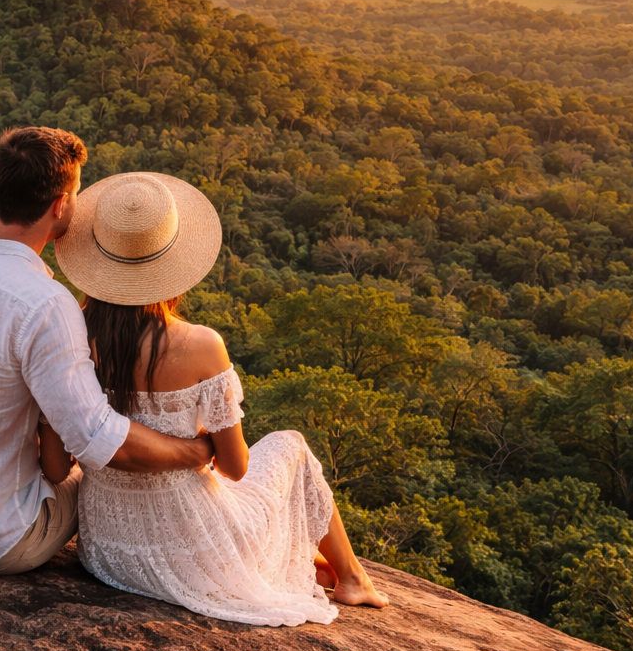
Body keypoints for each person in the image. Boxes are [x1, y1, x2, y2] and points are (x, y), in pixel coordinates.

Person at [50, 170, 389, 626]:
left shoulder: (69, 333)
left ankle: (322, 568)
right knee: (290, 445)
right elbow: (234, 467)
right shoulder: (201, 345)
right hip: (189, 550)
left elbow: (57, 460)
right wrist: (200, 445)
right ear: (171, 263)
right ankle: (352, 578)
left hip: (108, 552)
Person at [0, 128, 215, 574]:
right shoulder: (44, 302)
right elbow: (96, 437)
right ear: (61, 205)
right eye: (77, 194)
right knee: (95, 482)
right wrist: (194, 452)